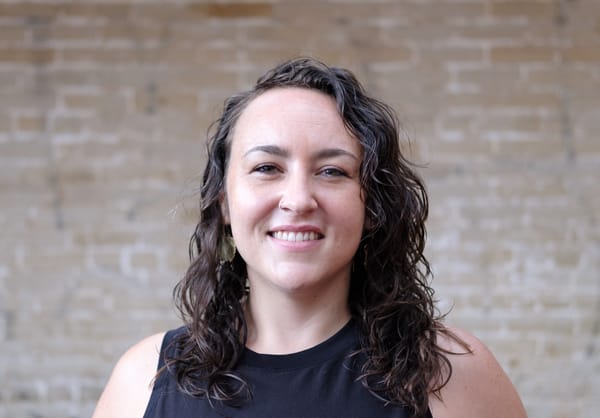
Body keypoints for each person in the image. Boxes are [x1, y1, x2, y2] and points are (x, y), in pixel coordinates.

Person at [93, 57, 527, 418]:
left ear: (371, 206)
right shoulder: (143, 380)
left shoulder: (451, 372)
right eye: (267, 168)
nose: (298, 200)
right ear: (224, 201)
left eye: (332, 171)